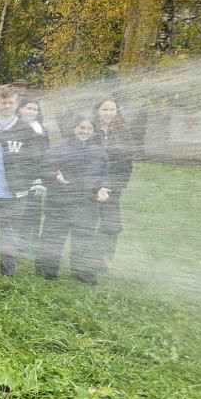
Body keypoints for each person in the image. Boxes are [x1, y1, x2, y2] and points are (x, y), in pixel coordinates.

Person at [0, 85, 46, 277]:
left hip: (15, 192)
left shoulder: (27, 130)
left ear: (16, 104)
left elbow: (35, 160)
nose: (6, 105)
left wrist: (31, 182)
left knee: (10, 235)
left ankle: (7, 273)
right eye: (3, 101)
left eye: (10, 102)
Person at [37, 113, 110, 284]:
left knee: (84, 239)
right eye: (81, 128)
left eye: (89, 128)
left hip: (86, 204)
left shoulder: (99, 151)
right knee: (53, 237)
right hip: (59, 203)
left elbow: (105, 174)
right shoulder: (59, 148)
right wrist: (55, 176)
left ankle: (82, 271)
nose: (85, 131)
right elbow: (44, 170)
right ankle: (48, 270)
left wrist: (103, 188)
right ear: (74, 128)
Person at [93, 95, 134, 275]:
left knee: (112, 225)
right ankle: (85, 259)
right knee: (87, 223)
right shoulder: (90, 130)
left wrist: (111, 187)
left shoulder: (124, 134)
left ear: (117, 112)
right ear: (97, 111)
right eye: (104, 109)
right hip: (90, 185)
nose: (108, 113)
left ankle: (102, 258)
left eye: (112, 109)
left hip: (112, 187)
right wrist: (96, 186)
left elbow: (126, 164)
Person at [16, 94, 50, 263]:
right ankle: (18, 243)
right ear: (20, 109)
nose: (32, 111)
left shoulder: (42, 129)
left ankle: (31, 243)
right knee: (20, 210)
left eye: (35, 109)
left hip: (38, 175)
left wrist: (41, 177)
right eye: (28, 107)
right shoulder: (15, 127)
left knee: (34, 211)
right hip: (20, 174)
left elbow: (46, 153)